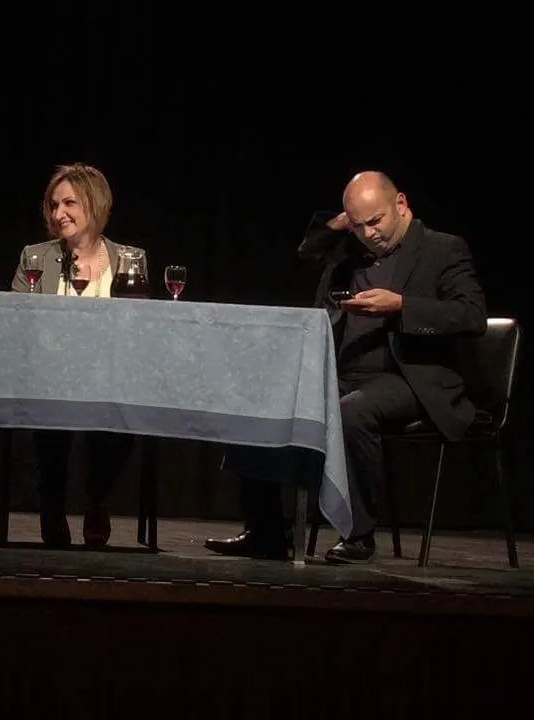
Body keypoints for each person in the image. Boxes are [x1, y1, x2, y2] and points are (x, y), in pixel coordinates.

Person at [204, 170, 487, 563]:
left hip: (409, 377)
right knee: (259, 399)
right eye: (359, 225)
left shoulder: (443, 248)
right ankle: (265, 530)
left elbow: (471, 315)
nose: (369, 234)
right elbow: (308, 251)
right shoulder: (349, 251)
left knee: (350, 412)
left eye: (376, 221)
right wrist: (342, 223)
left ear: (401, 204)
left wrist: (401, 305)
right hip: (343, 373)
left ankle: (358, 534)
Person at [11, 162, 149, 548]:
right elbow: (16, 320)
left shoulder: (129, 258)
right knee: (52, 408)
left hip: (110, 374)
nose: (59, 214)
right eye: (54, 205)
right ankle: (52, 505)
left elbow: (141, 325)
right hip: (50, 373)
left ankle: (97, 498)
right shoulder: (35, 257)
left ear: (95, 203)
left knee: (120, 414)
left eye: (69, 203)